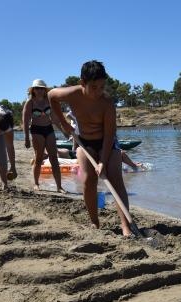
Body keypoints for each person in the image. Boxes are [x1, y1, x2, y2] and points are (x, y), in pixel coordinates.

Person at [49, 61, 133, 236]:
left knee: (115, 178)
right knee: (88, 181)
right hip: (84, 142)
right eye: (94, 87)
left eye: (102, 87)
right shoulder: (72, 94)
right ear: (82, 83)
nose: (98, 92)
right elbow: (51, 96)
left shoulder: (107, 102)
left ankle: (125, 226)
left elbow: (110, 134)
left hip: (107, 142)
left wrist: (103, 161)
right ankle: (94, 222)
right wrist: (64, 123)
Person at [23, 79, 65, 192]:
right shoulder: (30, 102)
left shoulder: (49, 101)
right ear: (33, 90)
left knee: (54, 158)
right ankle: (36, 183)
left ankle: (59, 186)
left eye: (42, 88)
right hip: (36, 130)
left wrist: (63, 131)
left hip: (49, 129)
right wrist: (26, 138)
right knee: (39, 158)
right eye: (37, 88)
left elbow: (55, 119)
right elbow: (26, 121)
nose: (40, 90)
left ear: (45, 90)